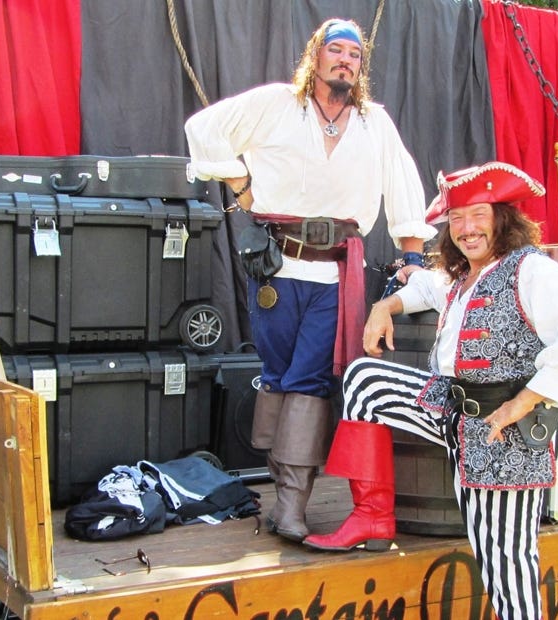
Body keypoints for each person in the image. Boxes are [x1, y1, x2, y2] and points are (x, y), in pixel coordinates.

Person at [302, 162, 558, 619]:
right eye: (458, 219)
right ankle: (372, 516)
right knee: (366, 380)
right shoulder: (466, 276)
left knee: (506, 565)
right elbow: (427, 286)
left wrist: (523, 403)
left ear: (502, 218)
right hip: (453, 414)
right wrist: (384, 305)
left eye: (478, 216)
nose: (467, 229)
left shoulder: (531, 270)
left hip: (502, 435)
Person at [184, 18, 437, 543]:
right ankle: (281, 498)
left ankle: (294, 505)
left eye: (354, 54)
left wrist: (412, 251)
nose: (345, 60)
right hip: (275, 270)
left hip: (335, 276)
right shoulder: (278, 104)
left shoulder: (375, 124)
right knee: (278, 374)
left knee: (310, 380)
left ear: (360, 67)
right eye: (335, 50)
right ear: (315, 57)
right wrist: (241, 182)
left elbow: (403, 182)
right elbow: (202, 129)